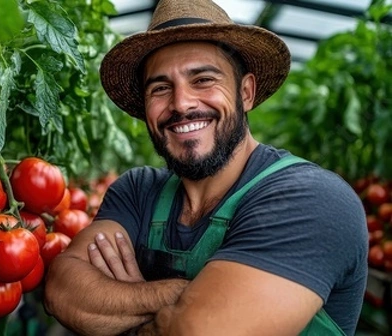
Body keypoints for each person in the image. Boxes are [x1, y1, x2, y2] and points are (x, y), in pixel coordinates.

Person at [43, 0, 368, 335]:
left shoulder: (310, 199)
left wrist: (131, 306)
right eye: (160, 88)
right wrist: (177, 296)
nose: (181, 103)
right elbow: (63, 292)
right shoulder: (137, 192)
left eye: (203, 80)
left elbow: (197, 330)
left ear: (245, 93)